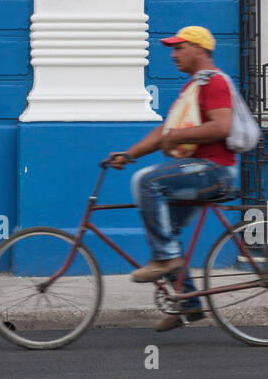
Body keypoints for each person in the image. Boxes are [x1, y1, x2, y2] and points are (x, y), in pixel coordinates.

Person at [103, 26, 240, 332]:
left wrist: (178, 135)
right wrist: (129, 154)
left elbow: (222, 127)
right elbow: (164, 132)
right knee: (168, 232)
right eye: (173, 49)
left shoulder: (214, 83)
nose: (173, 54)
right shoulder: (193, 87)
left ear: (200, 50)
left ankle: (165, 261)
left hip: (214, 171)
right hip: (198, 170)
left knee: (147, 182)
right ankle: (188, 303)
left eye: (180, 48)